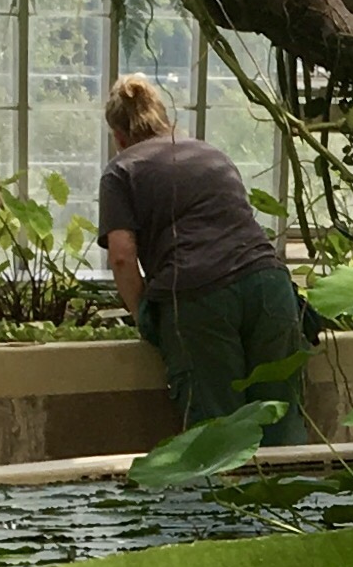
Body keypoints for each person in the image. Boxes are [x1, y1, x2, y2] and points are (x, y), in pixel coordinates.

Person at [98, 76, 309, 440]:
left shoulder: (121, 171)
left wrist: (144, 315)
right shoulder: (210, 154)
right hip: (270, 286)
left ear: (119, 136)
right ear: (165, 119)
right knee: (281, 421)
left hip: (198, 297)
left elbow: (121, 256)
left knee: (218, 438)